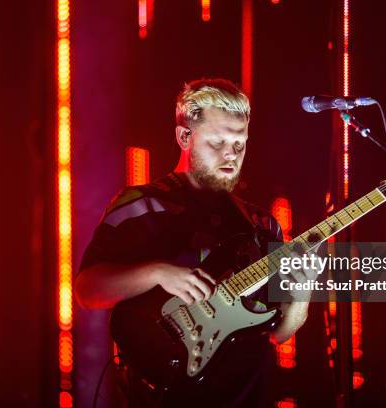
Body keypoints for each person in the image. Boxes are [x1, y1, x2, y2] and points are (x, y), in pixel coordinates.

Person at [76, 78, 314, 407]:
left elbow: (278, 333)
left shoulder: (262, 226)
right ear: (184, 136)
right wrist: (157, 273)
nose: (231, 154)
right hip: (161, 395)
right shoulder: (141, 204)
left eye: (239, 143)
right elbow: (88, 290)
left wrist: (301, 299)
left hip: (246, 396)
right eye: (217, 142)